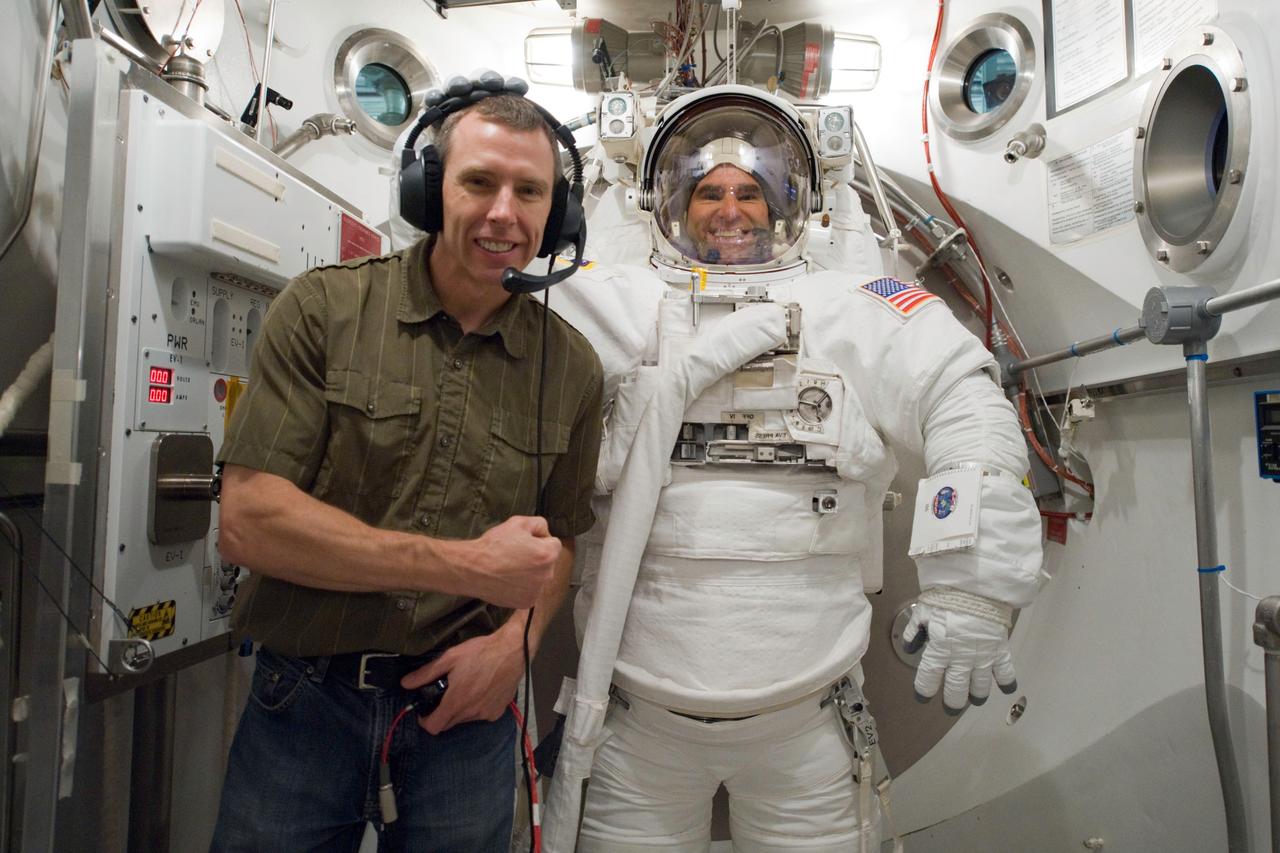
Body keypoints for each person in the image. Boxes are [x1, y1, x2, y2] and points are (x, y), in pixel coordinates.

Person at [540, 85, 1046, 852]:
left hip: (806, 730)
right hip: (635, 726)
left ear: (788, 205)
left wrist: (973, 585)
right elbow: (495, 390)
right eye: (708, 191)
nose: (729, 208)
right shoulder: (609, 298)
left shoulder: (859, 304)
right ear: (671, 203)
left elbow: (963, 400)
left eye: (750, 191)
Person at [209, 91, 604, 852]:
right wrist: (468, 564)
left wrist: (514, 645)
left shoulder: (572, 368)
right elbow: (250, 520)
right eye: (478, 182)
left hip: (466, 713)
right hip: (305, 704)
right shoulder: (324, 310)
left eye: (530, 193)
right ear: (429, 189)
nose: (504, 214)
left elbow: (555, 549)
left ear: (558, 216)